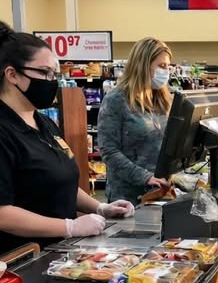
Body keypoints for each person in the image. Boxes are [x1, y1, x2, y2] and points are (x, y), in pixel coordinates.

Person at [0, 23, 134, 256]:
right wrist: (69, 227)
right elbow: (3, 214)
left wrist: (101, 208)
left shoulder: (44, 123)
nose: (51, 81)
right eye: (44, 73)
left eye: (54, 74)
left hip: (60, 252)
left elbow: (62, 182)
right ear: (12, 75)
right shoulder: (4, 132)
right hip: (22, 259)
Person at [97, 37, 173, 203]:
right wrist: (145, 177)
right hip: (127, 197)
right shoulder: (116, 100)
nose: (166, 72)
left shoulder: (162, 99)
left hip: (161, 191)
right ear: (143, 66)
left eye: (168, 66)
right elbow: (108, 151)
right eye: (161, 66)